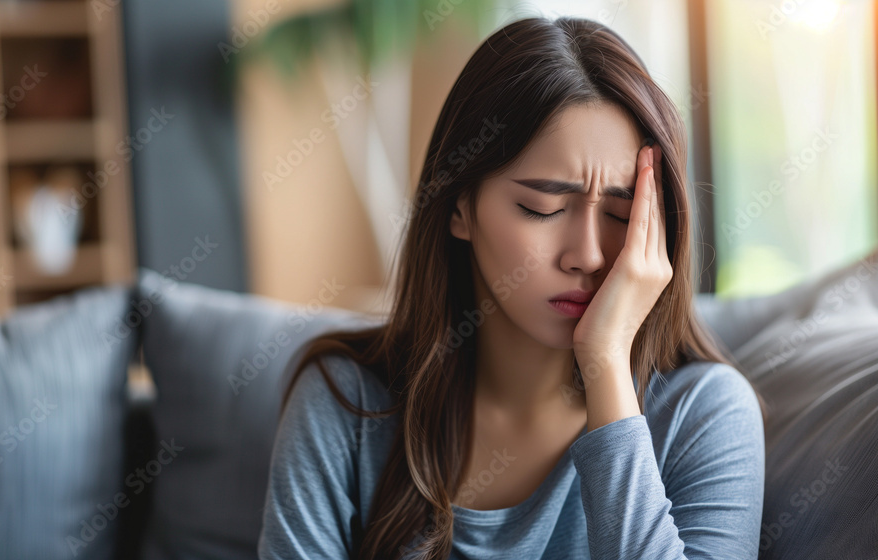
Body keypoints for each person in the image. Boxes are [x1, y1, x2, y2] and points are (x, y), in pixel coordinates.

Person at [258, 15, 767, 560]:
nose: (589, 255)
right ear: (459, 206)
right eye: (541, 208)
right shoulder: (346, 404)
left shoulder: (706, 415)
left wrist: (606, 362)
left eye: (622, 215)